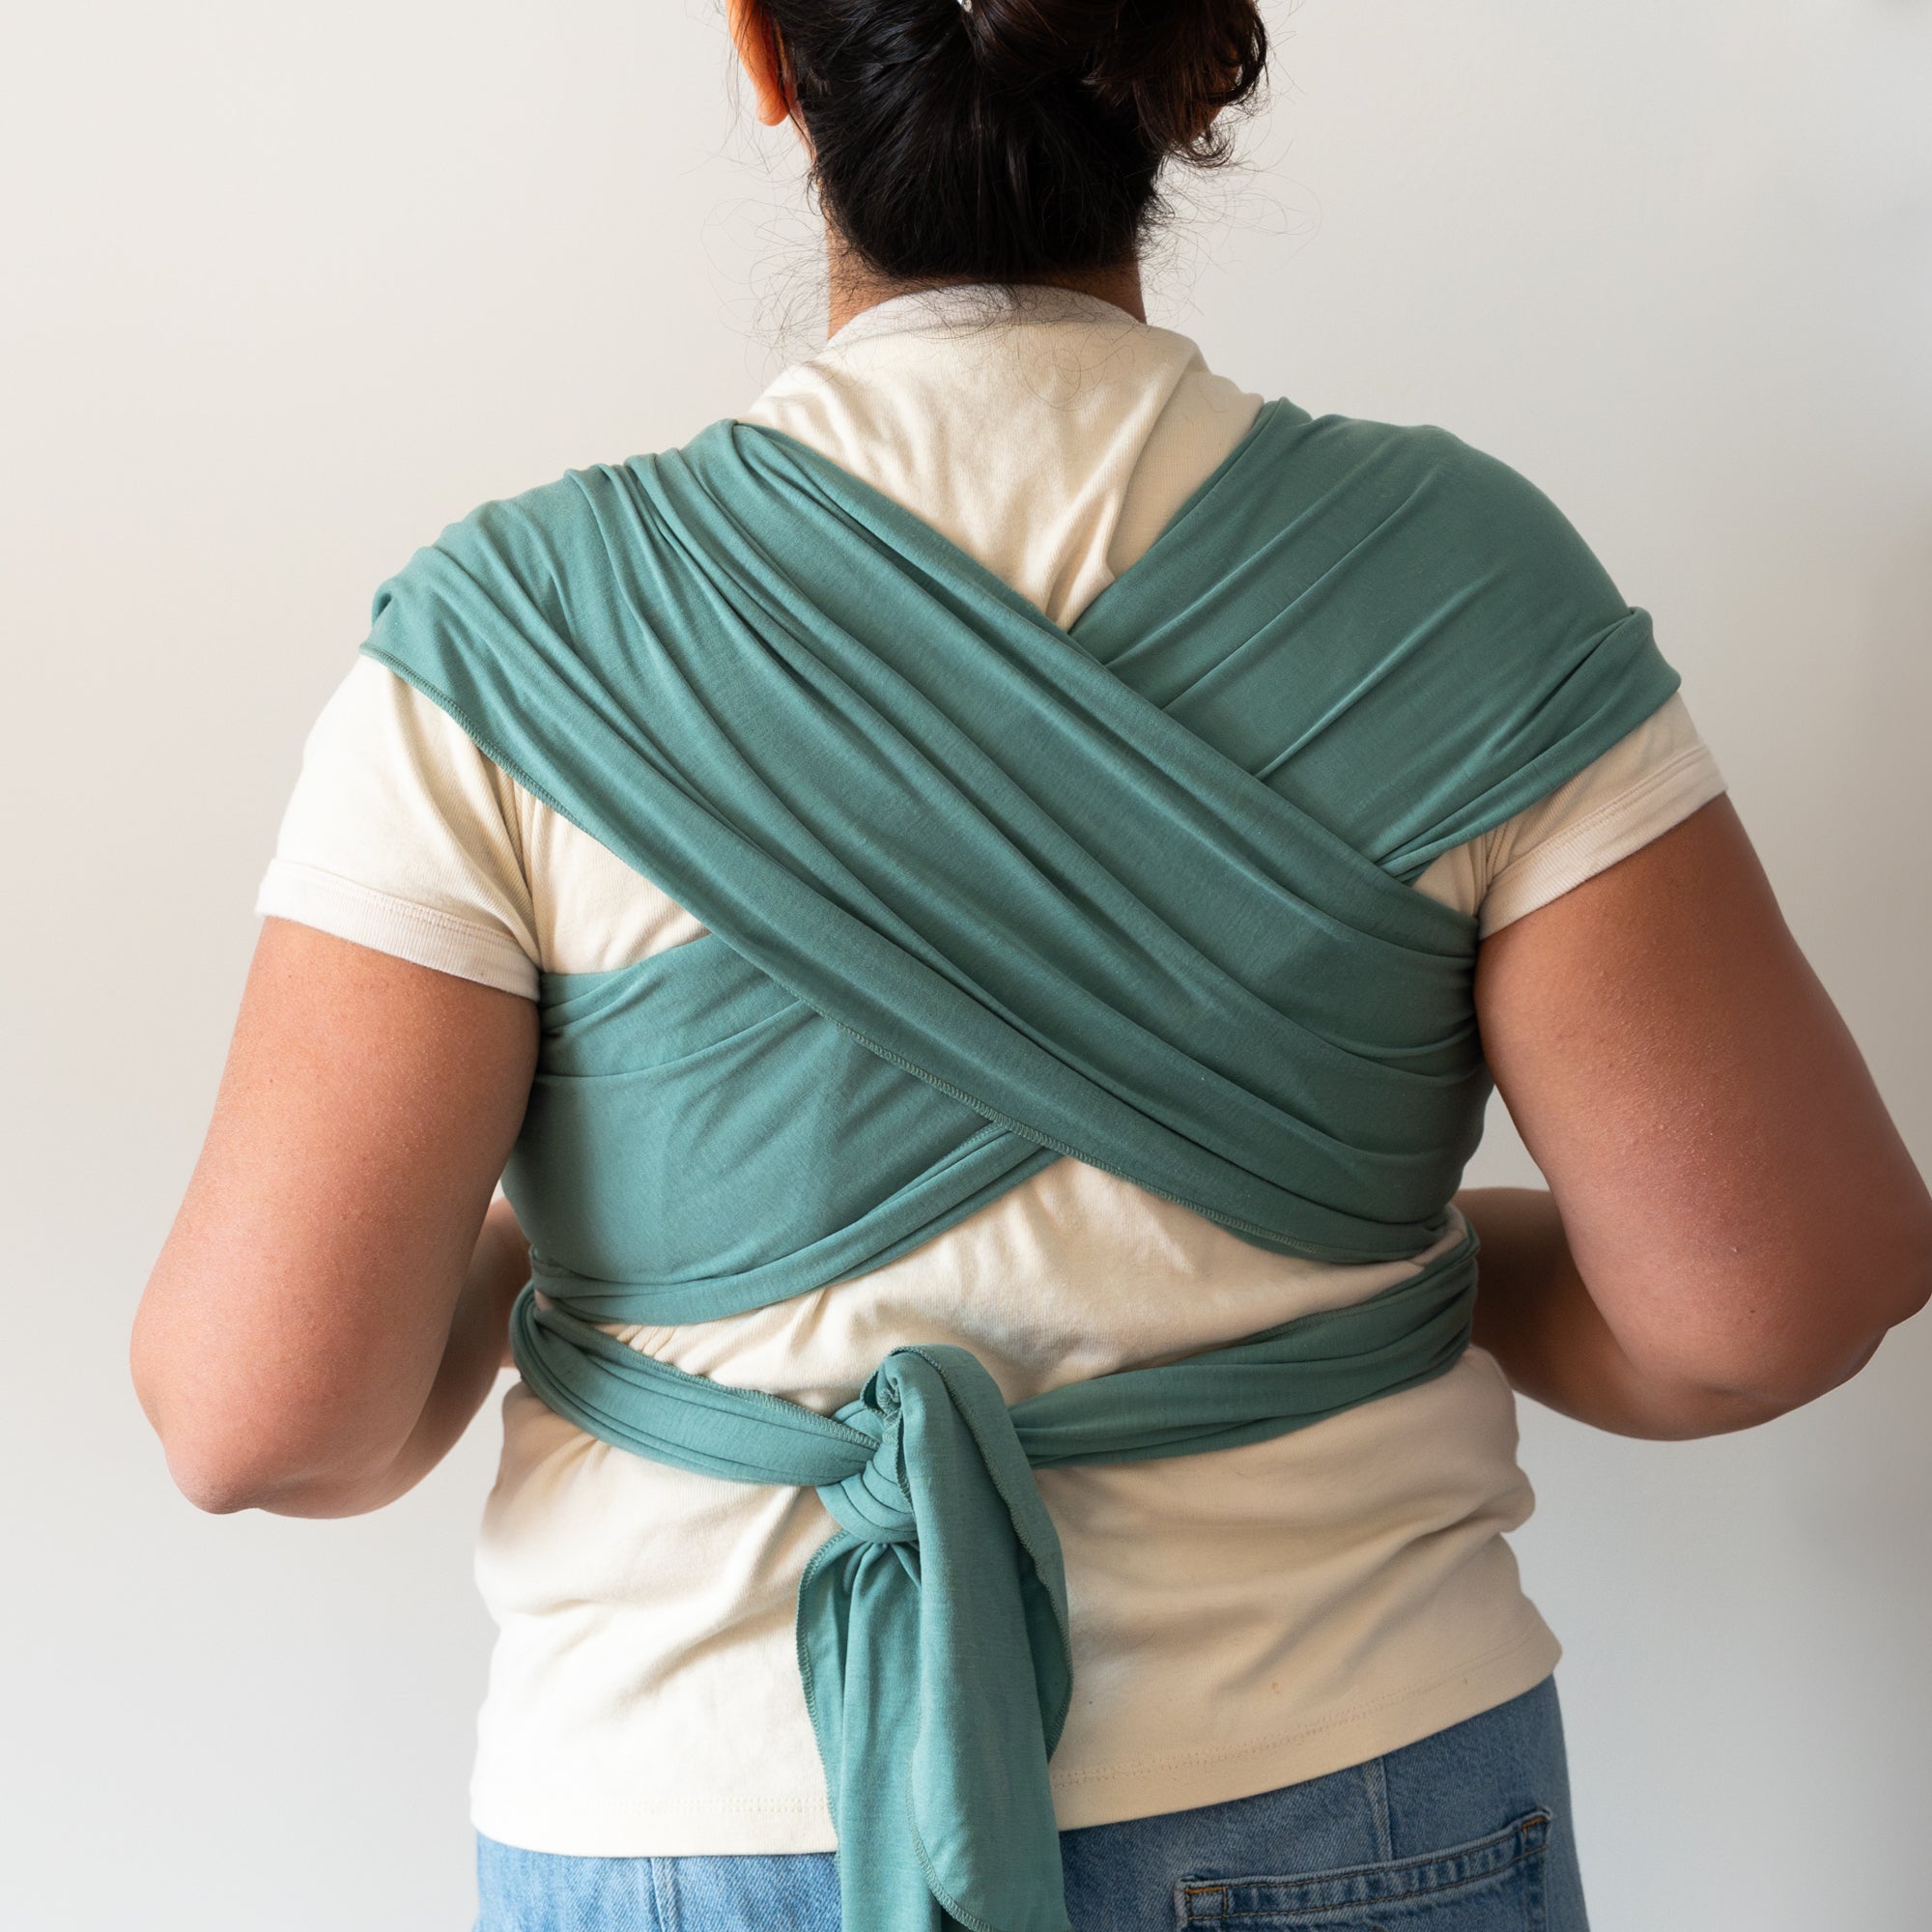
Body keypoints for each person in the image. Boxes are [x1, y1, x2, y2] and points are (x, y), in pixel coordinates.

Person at [130, 3, 1932, 1929]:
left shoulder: (514, 643)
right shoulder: (1461, 586)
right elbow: (1769, 1300)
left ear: (768, 53)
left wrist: (528, 1262)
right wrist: (1406, 1268)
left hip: (695, 1808)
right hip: (1349, 1777)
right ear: (1191, 61)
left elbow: (268, 1413)